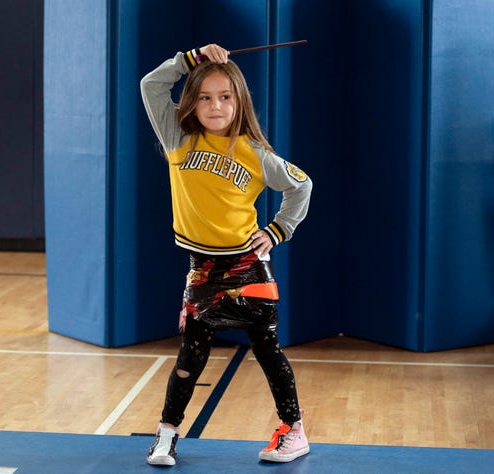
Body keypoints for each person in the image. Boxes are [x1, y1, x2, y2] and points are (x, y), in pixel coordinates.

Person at [140, 43, 313, 466]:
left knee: (268, 351)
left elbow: (301, 185)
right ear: (191, 103)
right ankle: (166, 435)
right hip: (202, 272)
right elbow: (151, 84)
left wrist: (278, 230)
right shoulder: (176, 137)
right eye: (204, 97)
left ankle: (294, 432)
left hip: (248, 267)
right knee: (190, 359)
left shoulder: (255, 153)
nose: (215, 106)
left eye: (225, 97)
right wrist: (189, 59)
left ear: (239, 102)